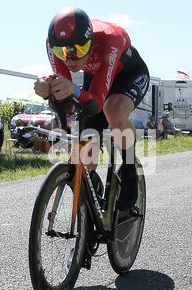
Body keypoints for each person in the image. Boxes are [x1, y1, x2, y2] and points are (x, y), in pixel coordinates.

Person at [34, 7, 150, 211]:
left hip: (128, 75)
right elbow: (67, 101)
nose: (69, 59)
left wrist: (74, 90)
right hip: (97, 78)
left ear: (89, 41)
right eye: (62, 52)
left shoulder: (109, 38)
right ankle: (91, 212)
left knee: (113, 110)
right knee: (85, 154)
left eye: (77, 50)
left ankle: (130, 168)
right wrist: (49, 91)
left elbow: (96, 101)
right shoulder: (53, 45)